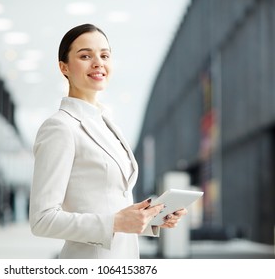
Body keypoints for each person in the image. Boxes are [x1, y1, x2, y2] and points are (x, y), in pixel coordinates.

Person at [29, 23, 187, 259]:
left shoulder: (106, 124)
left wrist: (152, 217)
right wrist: (114, 222)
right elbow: (42, 220)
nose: (98, 62)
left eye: (104, 55)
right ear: (64, 67)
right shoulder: (60, 127)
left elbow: (110, 205)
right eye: (85, 56)